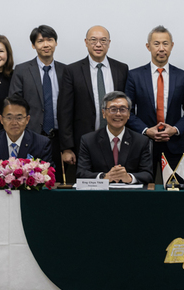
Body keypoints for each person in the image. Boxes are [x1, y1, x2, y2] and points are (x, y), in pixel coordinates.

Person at [125, 25, 184, 175]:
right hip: (143, 144)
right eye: (156, 44)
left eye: (165, 43)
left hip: (174, 144)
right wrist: (146, 130)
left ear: (172, 46)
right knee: (144, 191)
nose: (161, 48)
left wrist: (175, 130)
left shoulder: (183, 76)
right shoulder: (134, 76)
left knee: (175, 192)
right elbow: (127, 111)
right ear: (148, 46)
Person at [57, 25, 129, 173]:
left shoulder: (121, 69)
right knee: (87, 189)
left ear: (109, 43)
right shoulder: (72, 71)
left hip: (116, 142)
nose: (98, 44)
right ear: (86, 42)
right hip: (84, 143)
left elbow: (127, 107)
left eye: (103, 40)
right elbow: (65, 111)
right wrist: (67, 147)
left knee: (117, 186)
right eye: (93, 40)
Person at [8, 25, 68, 179]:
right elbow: (15, 104)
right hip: (31, 135)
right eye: (40, 41)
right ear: (33, 45)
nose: (46, 44)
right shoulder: (21, 70)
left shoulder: (66, 71)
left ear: (56, 43)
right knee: (29, 180)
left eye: (50, 40)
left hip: (58, 138)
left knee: (56, 182)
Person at [76, 91, 153, 184]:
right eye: (113, 109)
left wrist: (129, 177)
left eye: (123, 109)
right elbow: (81, 173)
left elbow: (148, 174)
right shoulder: (88, 140)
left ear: (128, 114)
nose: (118, 114)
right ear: (103, 113)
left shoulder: (141, 141)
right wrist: (104, 177)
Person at [0, 95, 51, 184]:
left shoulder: (41, 143)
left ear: (27, 119)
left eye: (19, 118)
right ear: (1, 119)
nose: (14, 123)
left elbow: (48, 173)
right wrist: (0, 179)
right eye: (9, 118)